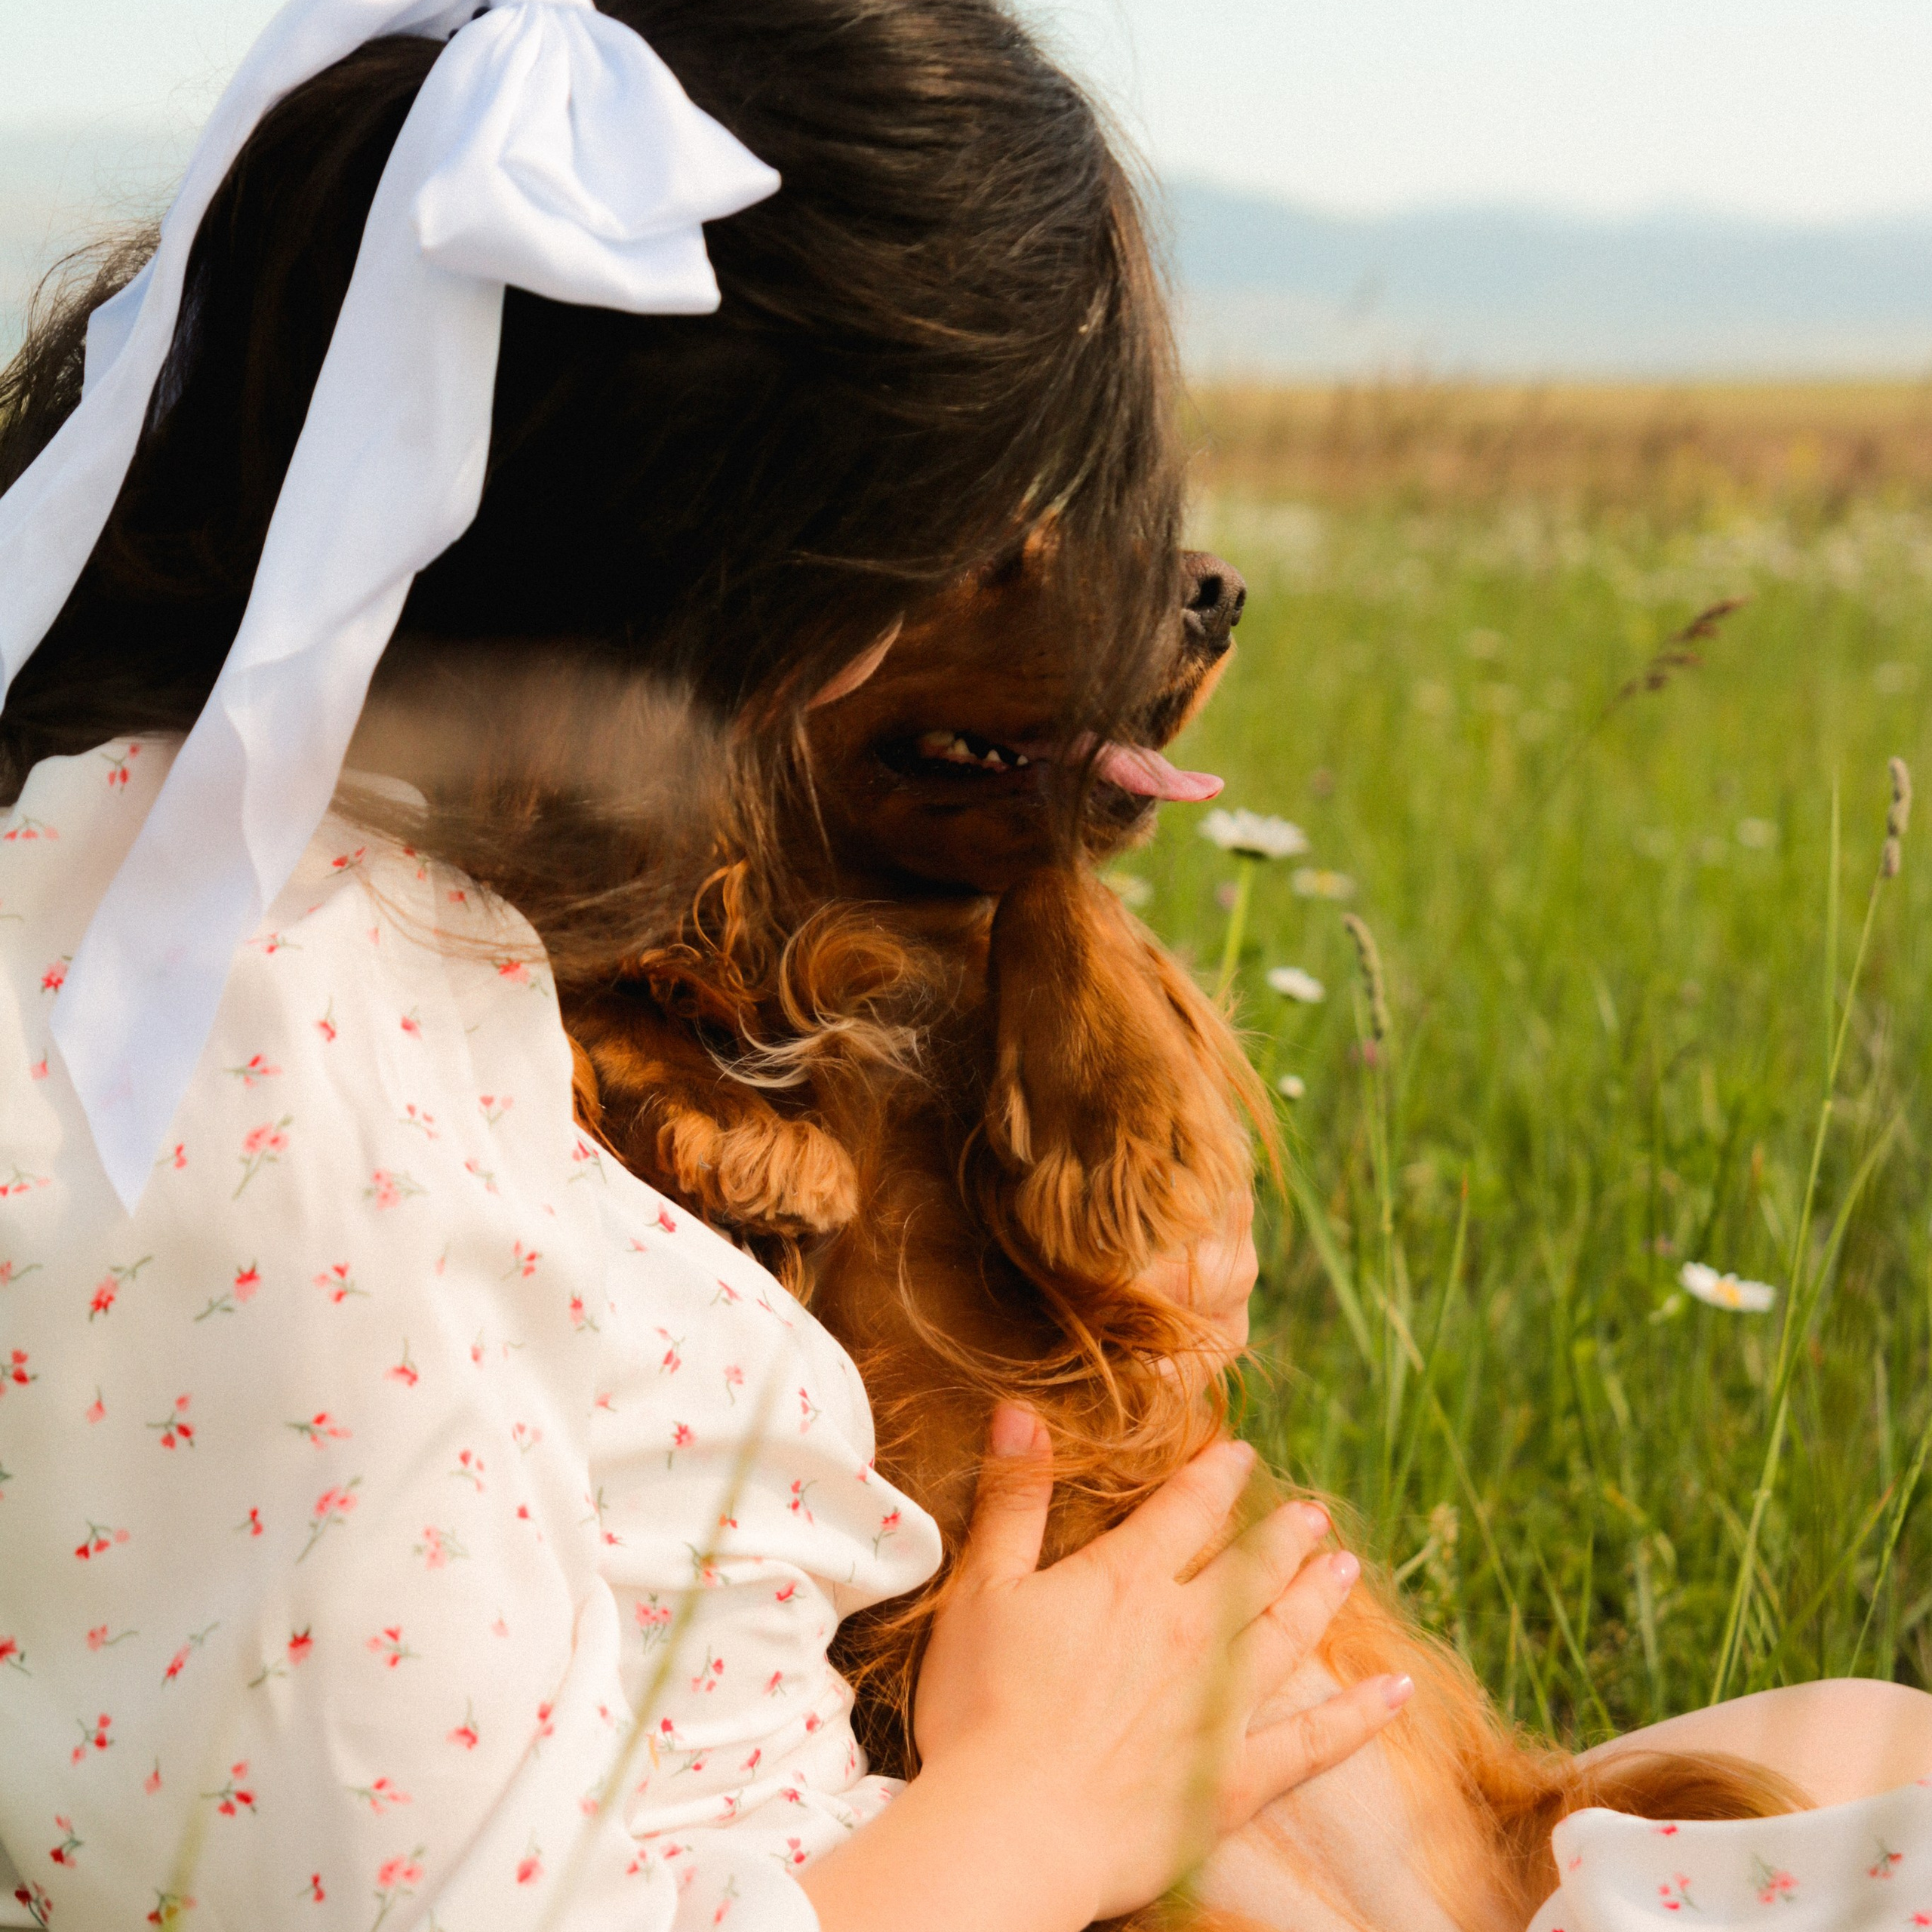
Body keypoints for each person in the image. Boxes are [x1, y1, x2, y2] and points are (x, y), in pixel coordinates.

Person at [0, 4, 1410, 1929]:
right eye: (944, 547)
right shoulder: (255, 1057)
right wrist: (1034, 1807)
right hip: (938, 1864)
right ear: (754, 556)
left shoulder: (311, 923)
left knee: (1816, 1745)